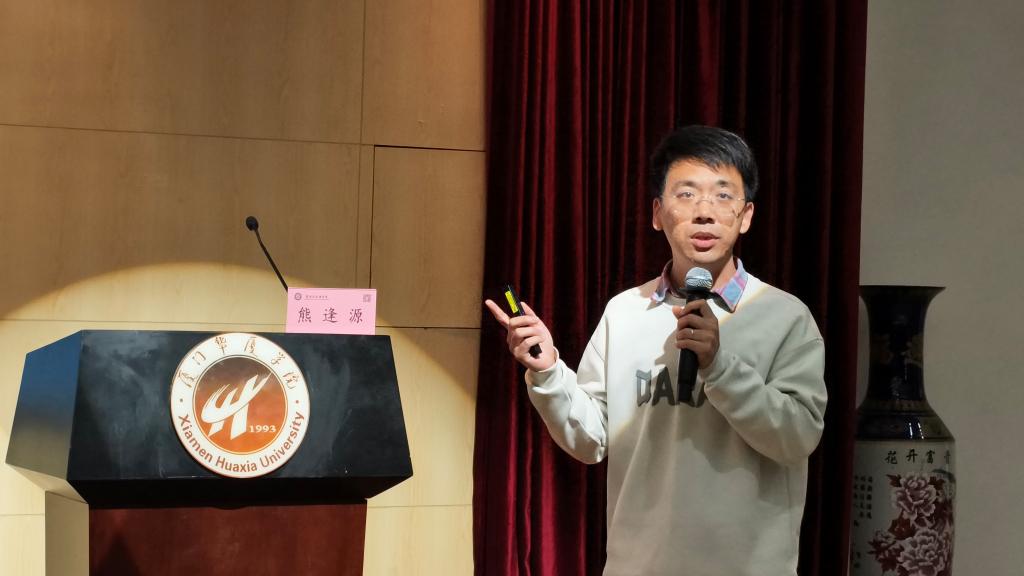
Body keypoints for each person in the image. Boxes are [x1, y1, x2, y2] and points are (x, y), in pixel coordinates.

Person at [484, 125, 828, 576]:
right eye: (686, 194)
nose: (704, 213)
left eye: (723, 196)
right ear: (657, 213)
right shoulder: (625, 311)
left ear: (745, 216)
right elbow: (591, 440)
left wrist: (719, 367)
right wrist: (549, 372)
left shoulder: (785, 317)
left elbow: (798, 436)